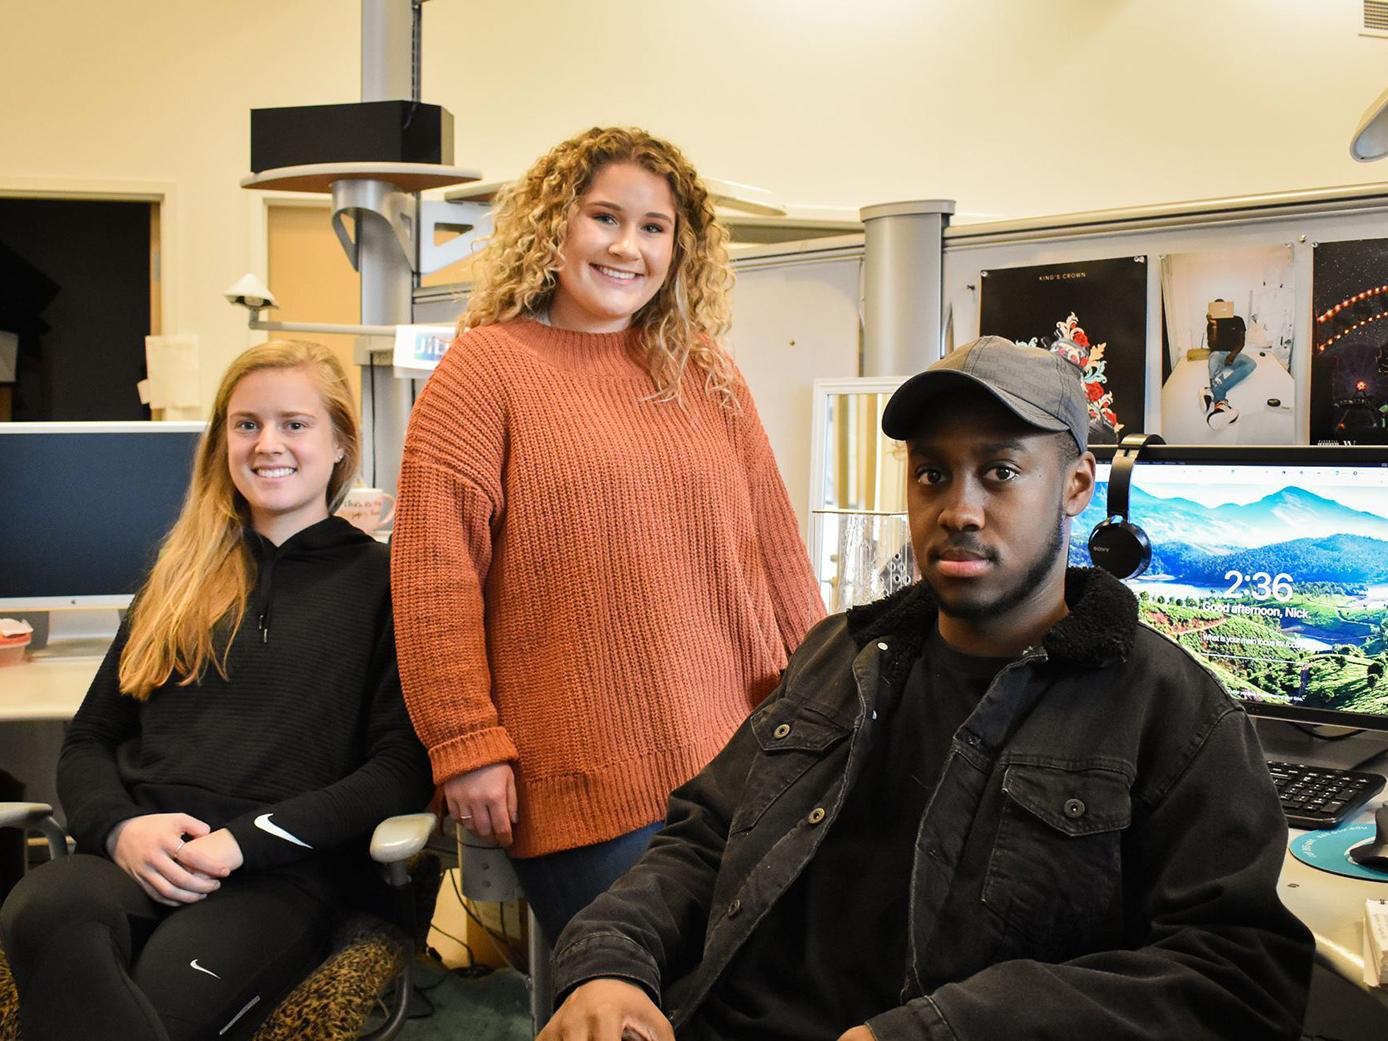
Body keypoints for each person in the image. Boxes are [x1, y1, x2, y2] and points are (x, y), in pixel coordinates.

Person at [540, 335, 1315, 1041]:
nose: (959, 510)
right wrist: (611, 960)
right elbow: (705, 837)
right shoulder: (836, 657)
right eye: (932, 473)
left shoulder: (1173, 713)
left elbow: (1239, 976)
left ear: (1078, 483)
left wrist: (940, 1030)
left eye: (1000, 472)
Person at [391, 126, 824, 942]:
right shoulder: (485, 370)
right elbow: (432, 579)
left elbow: (776, 554)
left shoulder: (704, 369)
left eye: (654, 227)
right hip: (583, 780)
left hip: (737, 760)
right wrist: (464, 742)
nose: (629, 247)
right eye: (605, 218)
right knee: (638, 1005)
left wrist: (826, 703)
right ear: (553, 225)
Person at [0, 340, 433, 1041]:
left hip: (275, 874)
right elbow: (90, 740)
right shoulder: (177, 577)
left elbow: (398, 772)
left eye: (295, 423)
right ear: (222, 442)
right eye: (246, 424)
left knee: (159, 1009)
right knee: (39, 910)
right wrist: (118, 828)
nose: (268, 444)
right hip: (133, 855)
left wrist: (243, 843)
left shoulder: (386, 583)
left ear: (340, 444)